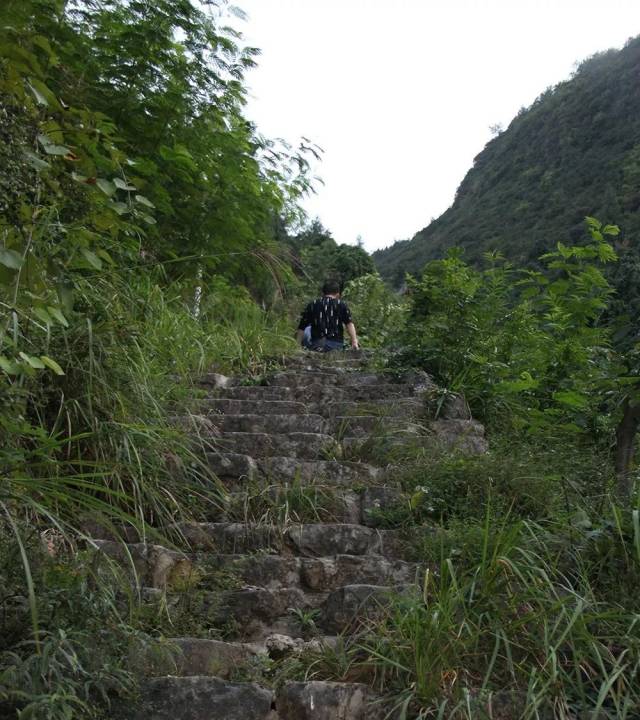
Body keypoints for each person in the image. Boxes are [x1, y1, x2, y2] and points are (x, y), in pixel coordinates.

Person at [296, 280, 359, 352]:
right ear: (338, 294)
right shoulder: (341, 304)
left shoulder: (313, 304)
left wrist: (297, 345)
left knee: (308, 329)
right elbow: (349, 324)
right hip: (336, 344)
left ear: (323, 293)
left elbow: (302, 327)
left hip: (317, 344)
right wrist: (354, 341)